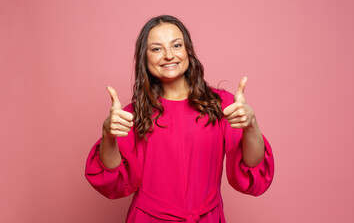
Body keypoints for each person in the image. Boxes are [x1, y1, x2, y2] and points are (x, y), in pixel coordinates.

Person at [85, 15, 274, 223]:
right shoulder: (131, 115)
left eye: (176, 45)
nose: (168, 55)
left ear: (188, 51)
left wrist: (251, 125)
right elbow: (113, 178)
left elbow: (252, 167)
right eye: (157, 49)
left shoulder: (220, 104)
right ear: (144, 58)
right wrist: (108, 135)